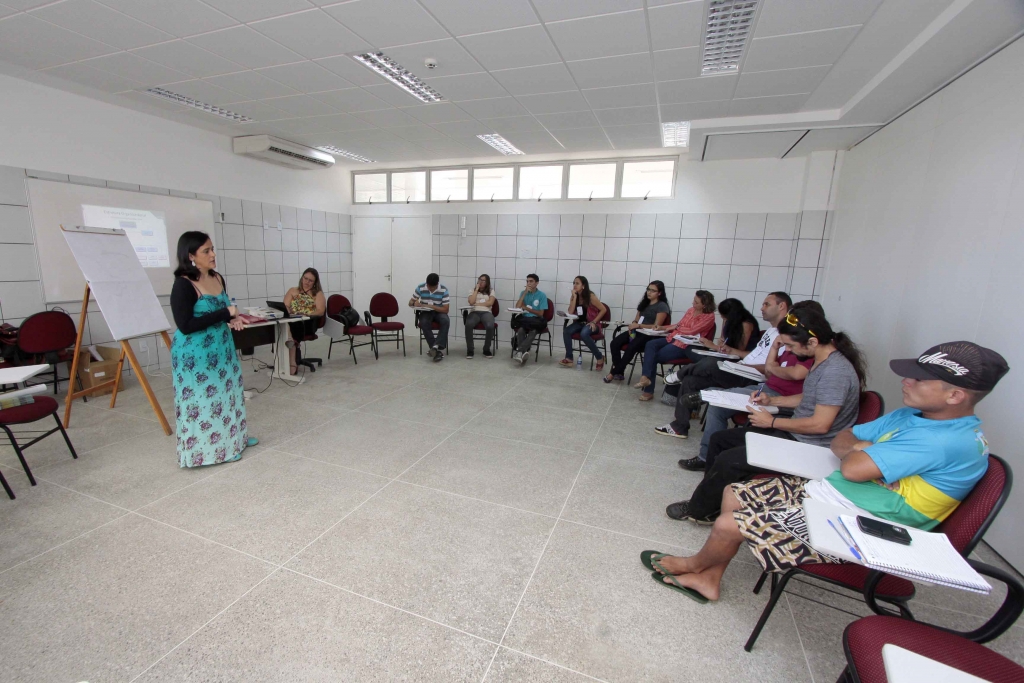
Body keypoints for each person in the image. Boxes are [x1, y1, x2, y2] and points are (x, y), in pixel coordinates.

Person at [643, 341, 1009, 603]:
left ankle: (699, 566)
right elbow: (846, 439)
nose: (906, 382)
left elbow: (852, 467)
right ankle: (710, 574)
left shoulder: (945, 440)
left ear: (955, 395)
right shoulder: (913, 415)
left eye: (919, 379)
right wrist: (865, 451)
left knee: (727, 522)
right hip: (843, 496)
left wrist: (863, 453)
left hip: (871, 526)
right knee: (733, 493)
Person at [665, 306, 865, 524]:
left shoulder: (835, 372)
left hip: (811, 446)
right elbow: (808, 398)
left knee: (729, 460)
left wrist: (772, 421)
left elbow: (820, 424)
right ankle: (711, 500)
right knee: (719, 440)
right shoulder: (822, 360)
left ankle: (699, 510)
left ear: (813, 342)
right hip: (798, 434)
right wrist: (773, 401)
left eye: (790, 345)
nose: (789, 351)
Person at [673, 300, 817, 468]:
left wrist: (774, 366)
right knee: (711, 393)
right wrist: (774, 351)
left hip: (775, 393)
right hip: (764, 388)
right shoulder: (791, 344)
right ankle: (706, 399)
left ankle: (704, 397)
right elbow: (771, 371)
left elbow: (794, 373)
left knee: (712, 372)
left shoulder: (808, 350)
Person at [169, 231, 257, 468]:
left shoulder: (216, 277)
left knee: (229, 392)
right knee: (206, 401)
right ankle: (213, 451)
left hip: (221, 347)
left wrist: (234, 319)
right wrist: (226, 314)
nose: (213, 254)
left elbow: (227, 308)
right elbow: (186, 325)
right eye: (206, 251)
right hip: (195, 355)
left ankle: (235, 440)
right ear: (191, 256)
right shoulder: (183, 285)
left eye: (212, 249)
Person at [651, 292, 790, 414]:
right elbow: (751, 355)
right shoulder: (771, 331)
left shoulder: (785, 337)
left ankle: (680, 374)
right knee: (691, 379)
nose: (762, 308)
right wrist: (729, 349)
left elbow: (769, 368)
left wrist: (726, 353)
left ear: (782, 306)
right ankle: (679, 426)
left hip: (749, 375)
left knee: (710, 362)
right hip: (740, 366)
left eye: (766, 304)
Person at [635, 297, 760, 402]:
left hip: (737, 361)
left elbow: (737, 350)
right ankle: (651, 380)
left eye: (696, 302)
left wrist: (713, 345)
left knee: (658, 357)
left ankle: (674, 379)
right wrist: (720, 343)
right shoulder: (727, 321)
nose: (693, 304)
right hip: (682, 340)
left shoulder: (742, 324)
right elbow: (723, 341)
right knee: (651, 346)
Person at [631, 290, 717, 395]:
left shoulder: (709, 316)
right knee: (650, 344)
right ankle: (645, 377)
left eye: (696, 302)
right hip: (673, 337)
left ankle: (648, 390)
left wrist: (678, 327)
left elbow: (692, 331)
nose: (693, 303)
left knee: (654, 356)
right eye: (694, 300)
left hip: (686, 345)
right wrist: (663, 328)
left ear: (704, 305)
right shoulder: (691, 310)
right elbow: (678, 324)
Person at [602, 281, 671, 382]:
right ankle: (619, 372)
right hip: (638, 331)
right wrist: (633, 325)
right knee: (614, 343)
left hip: (650, 335)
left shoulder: (662, 306)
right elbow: (636, 319)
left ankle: (613, 373)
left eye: (653, 290)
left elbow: (656, 326)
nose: (649, 292)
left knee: (631, 347)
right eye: (648, 289)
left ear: (659, 293)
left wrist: (638, 325)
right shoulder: (644, 303)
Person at [560, 275, 609, 369]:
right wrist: (574, 297)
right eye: (574, 283)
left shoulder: (591, 296)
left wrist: (594, 322)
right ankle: (569, 358)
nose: (574, 285)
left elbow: (603, 310)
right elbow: (570, 312)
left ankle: (599, 357)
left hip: (593, 323)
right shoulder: (575, 296)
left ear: (583, 286)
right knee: (566, 331)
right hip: (580, 323)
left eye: (577, 283)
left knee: (584, 333)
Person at [284, 268, 326, 375]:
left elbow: (320, 311)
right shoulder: (293, 290)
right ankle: (286, 355)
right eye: (305, 278)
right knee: (281, 325)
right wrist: (290, 310)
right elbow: (285, 306)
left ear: (315, 282)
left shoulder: (318, 294)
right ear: (302, 277)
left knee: (290, 327)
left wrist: (306, 314)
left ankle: (292, 363)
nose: (306, 282)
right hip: (293, 320)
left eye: (310, 280)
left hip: (308, 323)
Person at [409, 272, 450, 363]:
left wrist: (432, 306)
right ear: (426, 283)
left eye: (433, 287)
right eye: (428, 286)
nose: (430, 289)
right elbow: (410, 302)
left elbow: (446, 310)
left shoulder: (444, 289)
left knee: (445, 321)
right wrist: (414, 303)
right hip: (426, 312)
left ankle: (434, 347)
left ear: (437, 284)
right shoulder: (420, 287)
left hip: (439, 311)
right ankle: (436, 349)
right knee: (423, 322)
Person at [512, 274, 549, 365]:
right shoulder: (523, 293)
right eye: (527, 281)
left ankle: (519, 352)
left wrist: (526, 308)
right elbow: (517, 307)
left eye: (531, 281)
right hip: (525, 319)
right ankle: (522, 353)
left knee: (533, 332)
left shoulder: (542, 295)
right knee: (520, 331)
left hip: (536, 320)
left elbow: (541, 313)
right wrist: (524, 293)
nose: (528, 283)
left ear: (537, 283)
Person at [465, 273, 497, 359]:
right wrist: (476, 290)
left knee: (490, 326)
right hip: (474, 311)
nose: (481, 282)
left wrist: (478, 303)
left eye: (483, 280)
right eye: (480, 279)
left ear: (487, 282)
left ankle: (486, 349)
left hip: (486, 312)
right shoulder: (472, 290)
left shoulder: (491, 290)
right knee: (468, 324)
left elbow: (490, 303)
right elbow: (471, 302)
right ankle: (470, 349)